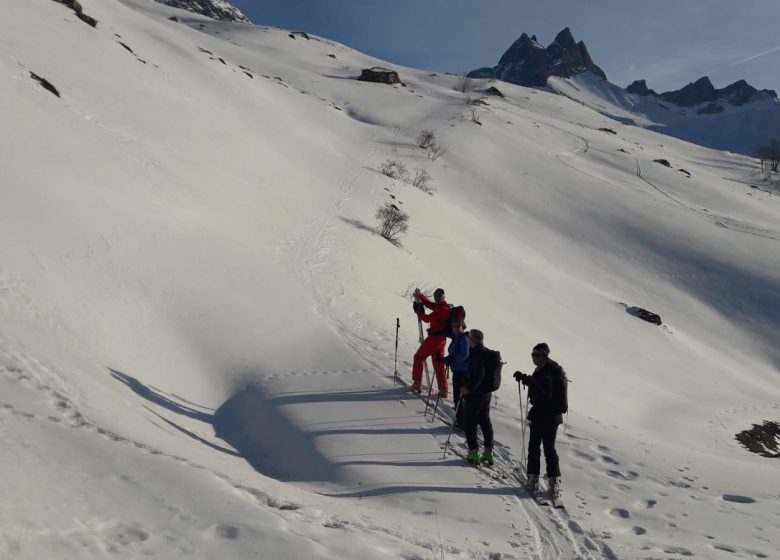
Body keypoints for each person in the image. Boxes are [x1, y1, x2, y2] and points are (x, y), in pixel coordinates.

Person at [514, 342, 567, 501]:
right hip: (553, 416)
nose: (533, 357)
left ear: (544, 356)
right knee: (549, 449)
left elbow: (545, 393)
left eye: (536, 355)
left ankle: (533, 480)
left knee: (535, 446)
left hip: (543, 415)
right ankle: (553, 483)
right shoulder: (550, 369)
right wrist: (527, 379)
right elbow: (541, 387)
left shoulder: (546, 372)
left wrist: (530, 382)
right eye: (532, 354)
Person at [461, 329, 494, 465]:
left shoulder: (477, 353)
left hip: (476, 394)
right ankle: (488, 452)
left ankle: (473, 453)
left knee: (470, 422)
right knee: (485, 421)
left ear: (474, 340)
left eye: (469, 337)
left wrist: (468, 388)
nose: (468, 339)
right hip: (486, 393)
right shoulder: (485, 352)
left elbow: (479, 374)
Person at [411, 287, 450, 397]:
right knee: (438, 363)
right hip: (441, 339)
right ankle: (444, 390)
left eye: (438, 297)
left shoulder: (442, 310)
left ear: (443, 297)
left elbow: (427, 319)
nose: (436, 299)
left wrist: (418, 312)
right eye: (435, 297)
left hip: (434, 339)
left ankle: (417, 383)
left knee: (418, 356)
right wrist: (421, 296)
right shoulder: (442, 307)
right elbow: (429, 304)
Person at [439, 321, 468, 427]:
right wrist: (445, 359)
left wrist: (451, 361)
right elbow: (453, 354)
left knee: (459, 397)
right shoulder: (456, 338)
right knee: (458, 396)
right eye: (453, 326)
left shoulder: (463, 338)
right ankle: (461, 420)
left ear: (462, 326)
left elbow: (464, 354)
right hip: (457, 370)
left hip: (462, 371)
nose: (454, 328)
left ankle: (462, 422)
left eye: (457, 326)